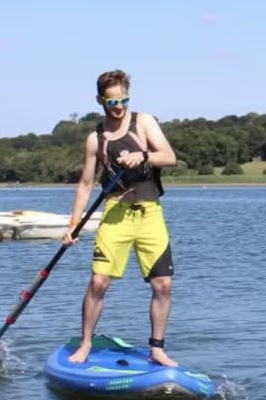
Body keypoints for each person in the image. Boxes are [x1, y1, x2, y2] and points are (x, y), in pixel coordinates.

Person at [63, 70, 179, 367]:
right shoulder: (95, 138)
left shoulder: (144, 122)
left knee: (162, 285)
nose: (119, 106)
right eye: (112, 101)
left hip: (150, 214)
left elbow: (169, 156)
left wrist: (143, 156)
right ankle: (86, 343)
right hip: (115, 215)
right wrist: (73, 224)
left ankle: (157, 348)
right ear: (100, 100)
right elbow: (86, 184)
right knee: (98, 283)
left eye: (124, 100)